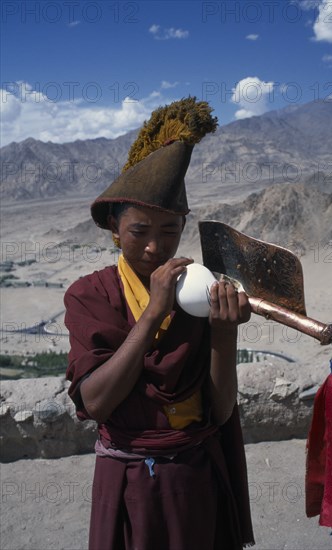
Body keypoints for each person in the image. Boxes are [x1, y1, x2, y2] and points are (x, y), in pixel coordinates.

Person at [64, 98, 255, 550]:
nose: (155, 247)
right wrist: (153, 311)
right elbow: (95, 402)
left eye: (170, 231)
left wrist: (224, 332)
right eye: (140, 231)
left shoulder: (199, 292)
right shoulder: (90, 295)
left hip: (196, 471)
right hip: (128, 477)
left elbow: (221, 410)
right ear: (114, 226)